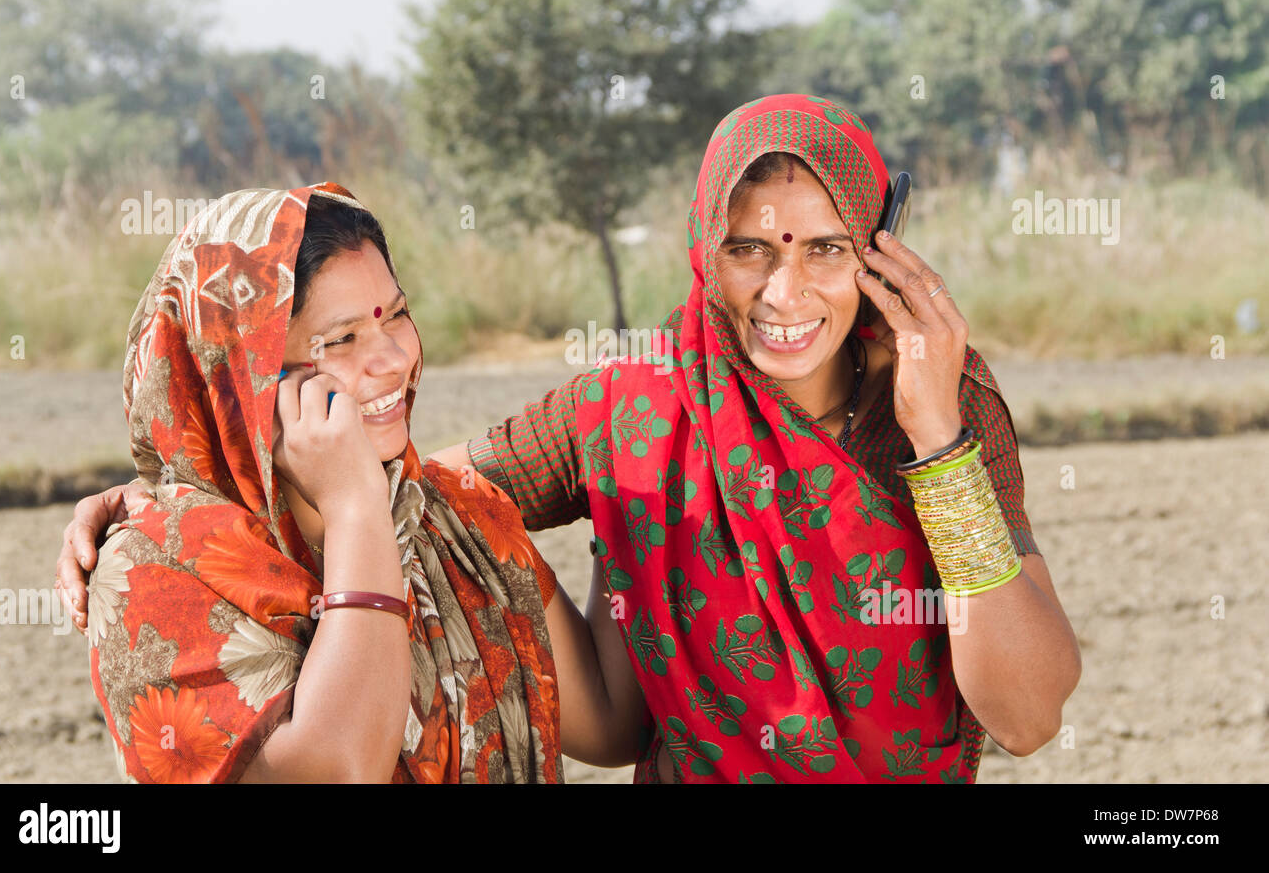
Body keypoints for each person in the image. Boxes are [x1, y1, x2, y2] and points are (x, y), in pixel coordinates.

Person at [62, 95, 1080, 784]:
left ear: (878, 249)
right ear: (701, 251)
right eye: (747, 248)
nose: (786, 290)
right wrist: (158, 492)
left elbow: (1028, 712)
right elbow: (424, 484)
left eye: (826, 247)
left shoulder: (939, 399)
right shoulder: (627, 413)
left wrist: (936, 434)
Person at [76, 181, 645, 783]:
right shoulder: (153, 577)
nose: (394, 359)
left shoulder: (457, 515)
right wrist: (354, 508)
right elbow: (342, 772)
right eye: (342, 339)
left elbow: (611, 721)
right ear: (240, 377)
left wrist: (632, 481)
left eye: (396, 315)